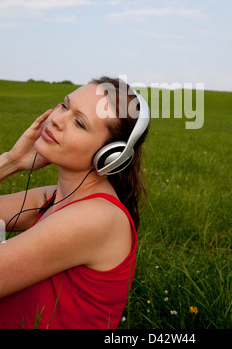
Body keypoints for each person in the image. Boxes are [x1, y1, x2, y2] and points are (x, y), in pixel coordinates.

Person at [0, 76, 150, 329]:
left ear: (110, 155)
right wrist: (11, 162)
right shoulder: (56, 197)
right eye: (64, 105)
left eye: (79, 123)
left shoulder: (96, 217)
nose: (57, 120)